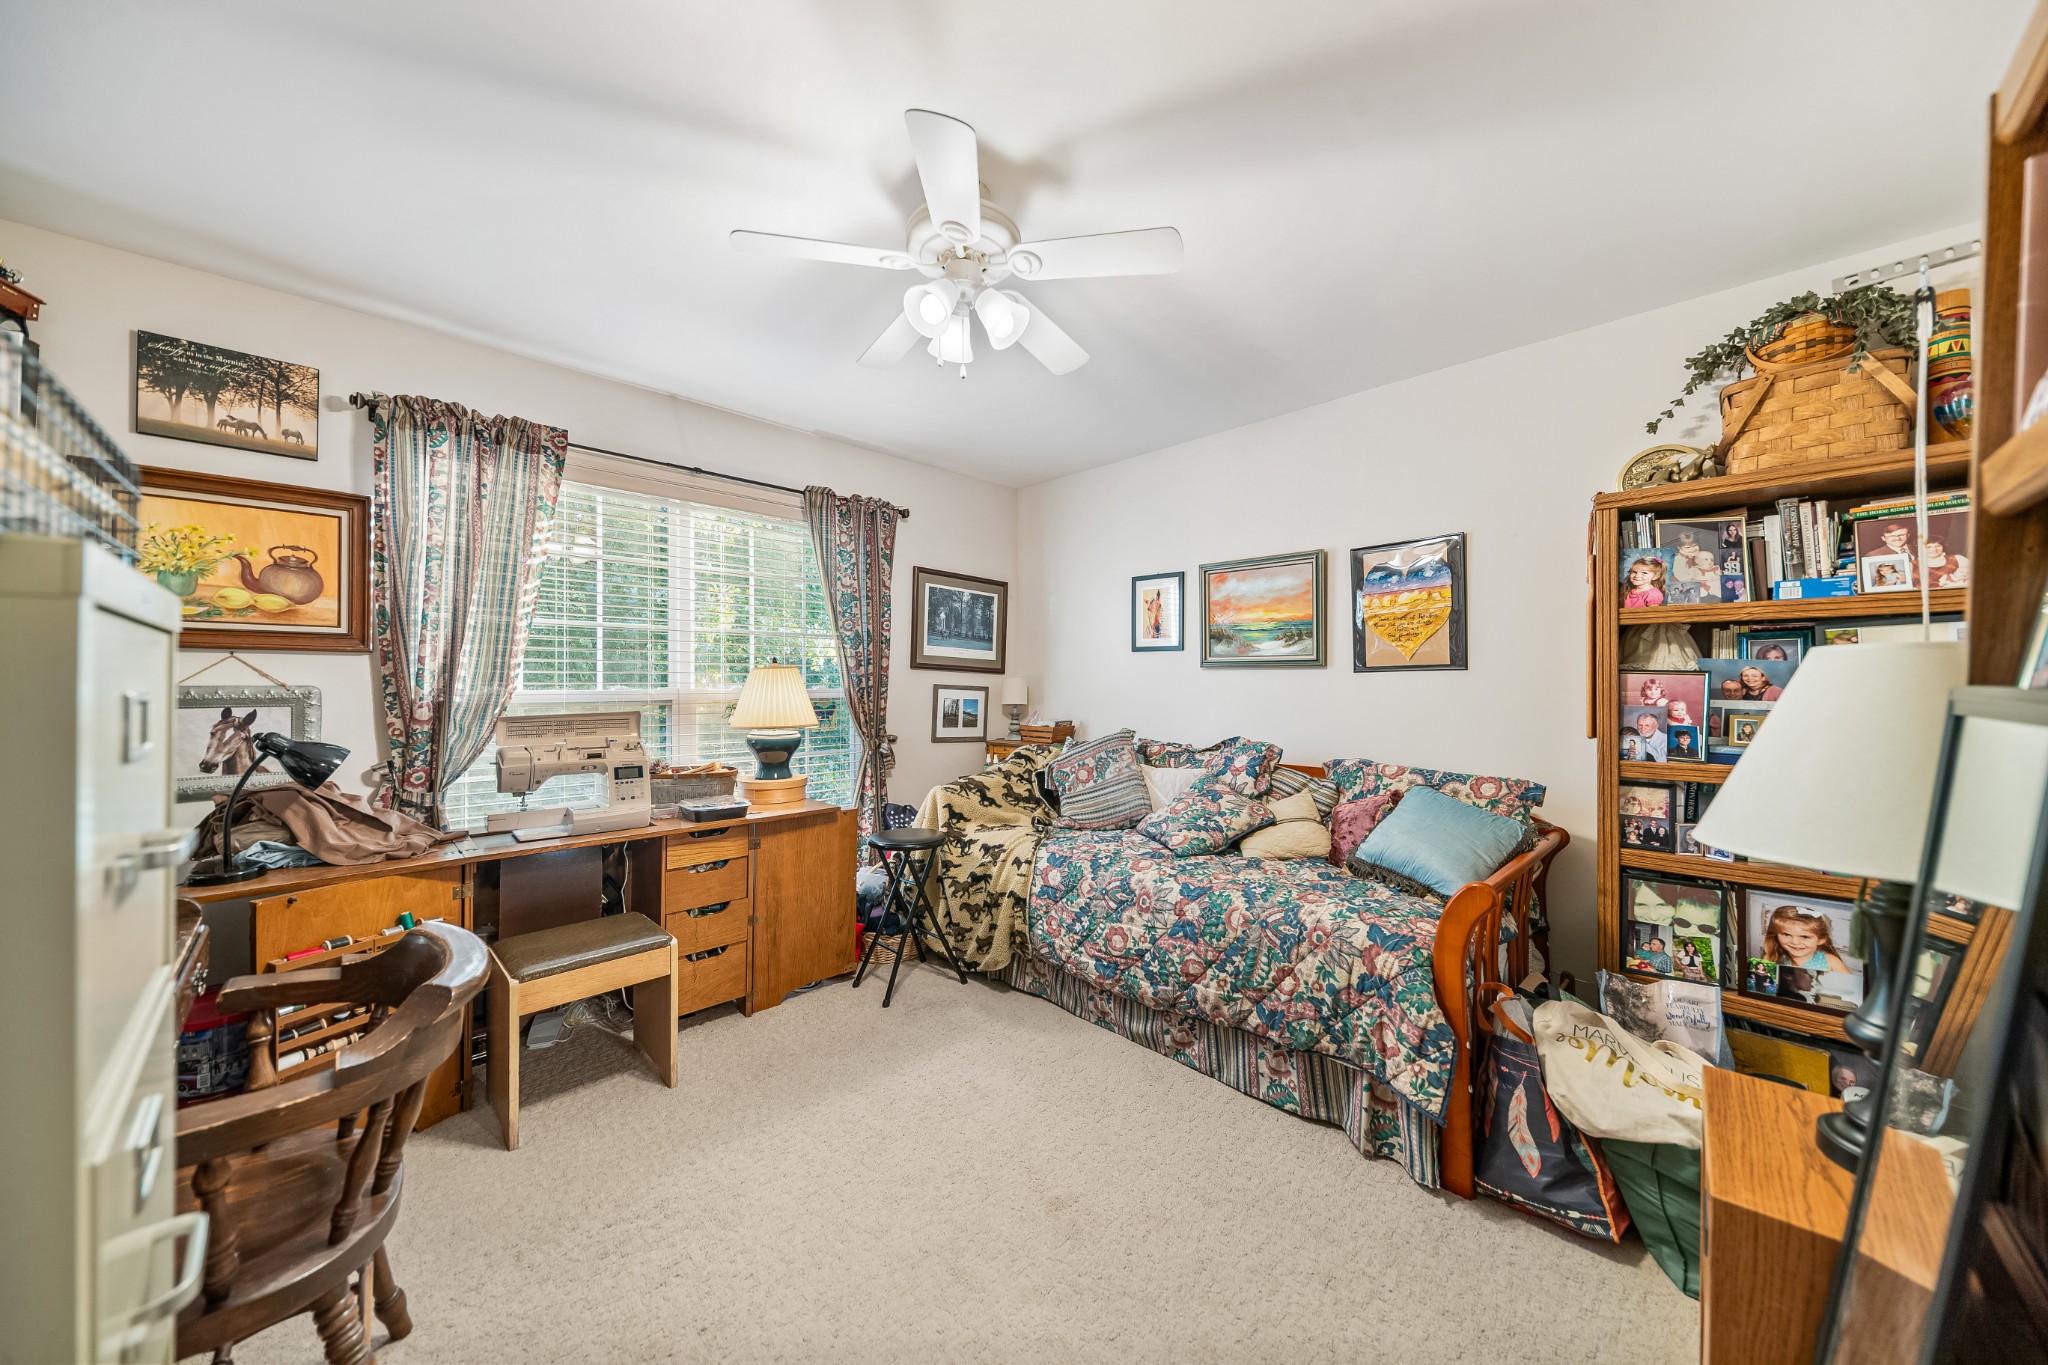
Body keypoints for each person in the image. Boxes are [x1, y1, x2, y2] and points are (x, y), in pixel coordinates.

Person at [1762, 905, 1850, 974]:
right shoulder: (1771, 958)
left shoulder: (1831, 962)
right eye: (1786, 934)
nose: (1795, 942)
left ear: (1821, 939)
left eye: (1805, 937)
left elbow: (1849, 988)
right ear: (1776, 934)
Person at [1667, 529, 1719, 604]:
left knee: (1716, 582)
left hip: (1699, 578)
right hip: (1685, 582)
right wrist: (1701, 580)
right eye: (1687, 547)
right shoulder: (1678, 559)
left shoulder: (1698, 555)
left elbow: (1706, 566)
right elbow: (1682, 577)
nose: (1692, 549)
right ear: (1679, 548)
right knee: (1704, 591)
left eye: (1695, 545)